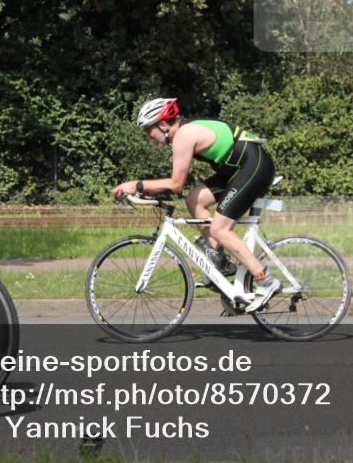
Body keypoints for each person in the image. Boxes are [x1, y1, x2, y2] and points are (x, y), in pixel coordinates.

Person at [113, 97, 280, 312]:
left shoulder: (184, 135)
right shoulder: (183, 132)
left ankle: (265, 280)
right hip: (237, 169)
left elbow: (176, 184)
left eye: (148, 130)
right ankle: (220, 262)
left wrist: (137, 185)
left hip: (253, 167)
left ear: (162, 124)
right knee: (194, 200)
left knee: (220, 229)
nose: (148, 136)